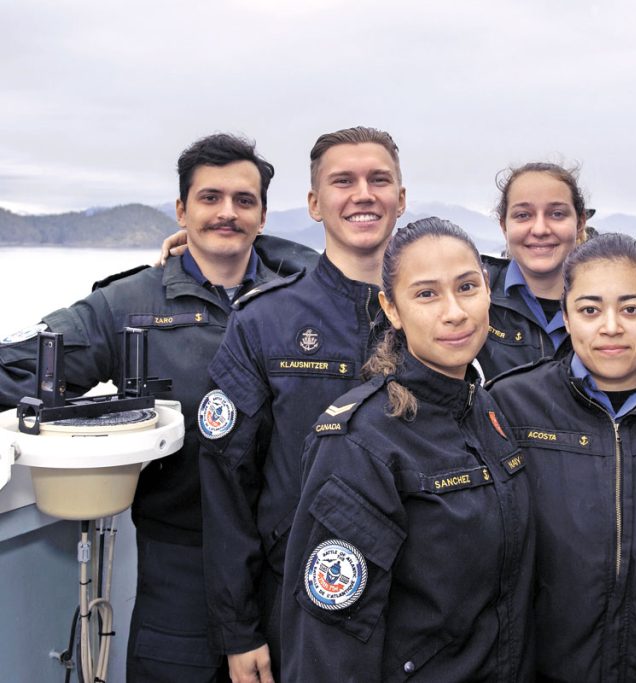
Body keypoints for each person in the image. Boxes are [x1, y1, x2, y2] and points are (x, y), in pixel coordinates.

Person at [0, 134, 317, 682]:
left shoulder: (299, 299)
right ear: (181, 210)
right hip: (179, 561)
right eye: (209, 198)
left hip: (285, 562)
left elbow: (361, 273)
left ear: (264, 216)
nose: (226, 213)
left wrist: (282, 253)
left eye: (244, 202)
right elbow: (21, 366)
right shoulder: (129, 305)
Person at [281, 217, 533, 681]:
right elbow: (330, 640)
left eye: (467, 287)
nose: (454, 311)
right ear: (391, 309)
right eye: (427, 294)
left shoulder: (488, 411)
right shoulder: (362, 441)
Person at [198, 126, 406, 682]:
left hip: (418, 605)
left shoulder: (443, 316)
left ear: (401, 199)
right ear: (315, 204)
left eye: (378, 179)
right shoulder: (265, 322)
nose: (362, 193)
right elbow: (227, 482)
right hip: (297, 604)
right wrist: (239, 630)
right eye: (343, 181)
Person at [488, 233, 636, 681]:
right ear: (566, 317)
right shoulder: (512, 403)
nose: (611, 326)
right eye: (590, 309)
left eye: (632, 309)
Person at [477, 162, 587, 379]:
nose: (540, 229)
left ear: (580, 222)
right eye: (523, 215)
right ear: (504, 225)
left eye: (556, 214)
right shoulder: (476, 298)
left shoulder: (610, 303)